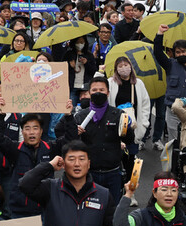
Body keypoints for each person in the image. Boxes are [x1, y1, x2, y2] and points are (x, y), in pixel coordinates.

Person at [18, 142, 120, 226]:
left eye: (82, 159)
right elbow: (25, 184)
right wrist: (49, 166)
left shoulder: (103, 195)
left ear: (88, 164)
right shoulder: (50, 188)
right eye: (71, 159)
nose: (77, 164)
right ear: (63, 164)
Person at [55, 76, 133, 204]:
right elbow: (63, 138)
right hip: (88, 174)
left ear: (108, 93)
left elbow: (130, 140)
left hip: (112, 173)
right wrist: (74, 132)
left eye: (102, 90)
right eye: (94, 90)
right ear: (89, 93)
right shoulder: (80, 116)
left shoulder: (118, 114)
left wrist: (127, 128)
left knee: (112, 211)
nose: (98, 93)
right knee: (88, 211)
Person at [151, 25, 186, 149]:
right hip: (173, 110)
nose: (181, 54)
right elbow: (158, 53)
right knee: (173, 142)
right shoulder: (170, 64)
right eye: (178, 52)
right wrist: (160, 34)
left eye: (183, 51)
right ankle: (173, 166)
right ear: (174, 54)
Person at [0, 111, 55, 218]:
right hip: (19, 210)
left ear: (41, 131)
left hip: (44, 209)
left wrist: (68, 117)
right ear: (22, 131)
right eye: (27, 128)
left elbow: (68, 139)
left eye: (35, 128)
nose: (31, 132)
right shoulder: (15, 149)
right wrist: (1, 115)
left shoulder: (50, 149)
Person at [108, 56, 150, 179]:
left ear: (131, 67)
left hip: (132, 128)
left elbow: (145, 104)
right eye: (120, 66)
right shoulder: (111, 83)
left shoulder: (138, 83)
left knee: (131, 160)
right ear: (116, 69)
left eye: (126, 65)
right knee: (115, 159)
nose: (124, 68)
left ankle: (131, 190)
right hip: (115, 128)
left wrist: (144, 124)